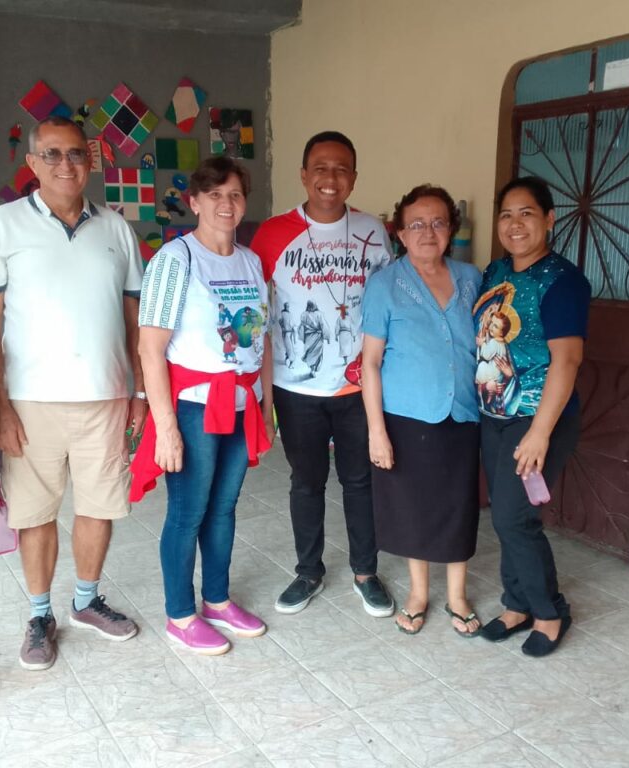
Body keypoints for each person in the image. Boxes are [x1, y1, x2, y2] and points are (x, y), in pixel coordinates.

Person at [0, 116, 146, 671]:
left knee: (100, 505)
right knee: (35, 512)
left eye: (75, 154)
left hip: (107, 397)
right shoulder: (0, 226)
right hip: (29, 402)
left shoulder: (117, 228)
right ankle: (40, 614)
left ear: (91, 159)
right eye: (52, 154)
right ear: (32, 162)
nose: (65, 165)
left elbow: (134, 318)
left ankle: (87, 601)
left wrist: (138, 393)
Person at [131, 157, 274, 655]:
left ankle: (216, 598)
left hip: (243, 401)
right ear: (194, 203)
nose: (225, 204)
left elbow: (262, 343)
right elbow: (150, 349)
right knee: (188, 512)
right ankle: (179, 613)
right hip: (193, 406)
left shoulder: (252, 262)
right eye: (214, 196)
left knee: (225, 508)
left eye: (234, 194)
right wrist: (165, 427)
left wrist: (267, 407)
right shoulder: (176, 260)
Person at [251, 131, 395, 617]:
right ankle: (308, 571)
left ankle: (365, 572)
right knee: (305, 482)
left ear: (354, 176)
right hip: (295, 387)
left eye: (341, 169)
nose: (330, 178)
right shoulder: (271, 234)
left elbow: (388, 307)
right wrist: (263, 391)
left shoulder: (375, 233)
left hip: (359, 386)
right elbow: (259, 317)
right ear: (303, 174)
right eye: (320, 167)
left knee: (360, 481)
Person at [475, 176, 591, 657]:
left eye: (526, 213)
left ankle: (549, 610)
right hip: (494, 412)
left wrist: (541, 432)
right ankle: (517, 603)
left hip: (537, 415)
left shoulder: (563, 280)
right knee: (506, 517)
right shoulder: (495, 271)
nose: (514, 223)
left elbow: (566, 360)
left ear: (549, 218)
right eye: (506, 214)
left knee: (514, 517)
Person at [361, 185, 483, 636]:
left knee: (458, 506)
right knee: (413, 505)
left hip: (464, 413)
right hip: (407, 415)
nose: (427, 232)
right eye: (416, 224)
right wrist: (377, 431)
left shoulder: (473, 278)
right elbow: (370, 362)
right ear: (400, 233)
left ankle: (457, 595)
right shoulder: (385, 284)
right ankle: (419, 593)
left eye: (437, 223)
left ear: (450, 229)